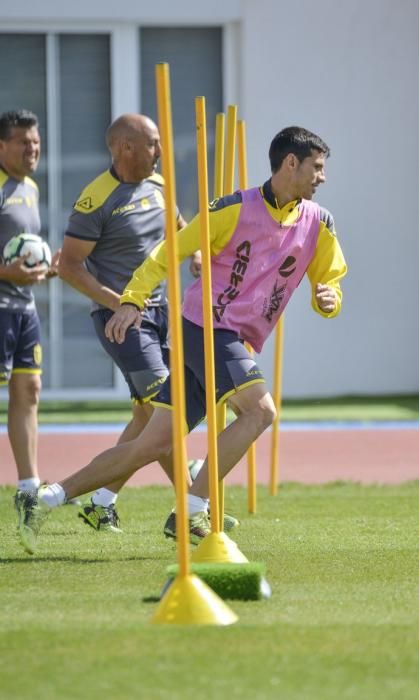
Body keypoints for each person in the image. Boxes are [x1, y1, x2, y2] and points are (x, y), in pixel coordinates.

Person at [17, 125, 347, 555]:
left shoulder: (319, 223)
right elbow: (165, 253)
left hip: (233, 338)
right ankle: (192, 509)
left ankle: (45, 499)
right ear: (290, 163)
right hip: (205, 327)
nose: (322, 177)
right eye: (317, 168)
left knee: (152, 444)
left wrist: (328, 299)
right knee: (260, 411)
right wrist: (132, 300)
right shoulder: (230, 209)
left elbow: (331, 279)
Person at [58, 113, 231, 534]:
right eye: (153, 144)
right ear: (124, 148)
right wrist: (121, 303)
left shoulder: (158, 186)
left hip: (161, 314)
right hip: (121, 319)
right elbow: (69, 266)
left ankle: (102, 501)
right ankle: (192, 508)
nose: (161, 152)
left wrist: (193, 252)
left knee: (145, 415)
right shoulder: (96, 199)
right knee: (165, 409)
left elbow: (179, 228)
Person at [0, 109, 60, 525]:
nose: (32, 148)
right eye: (23, 141)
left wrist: (45, 268)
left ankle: (27, 489)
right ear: (2, 145)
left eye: (35, 141)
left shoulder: (31, 188)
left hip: (24, 308)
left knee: (30, 392)